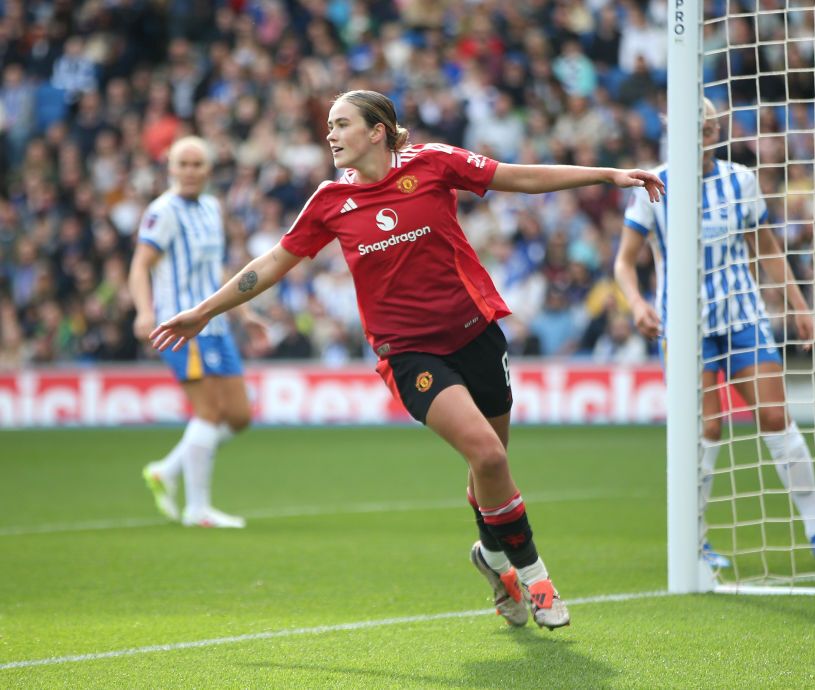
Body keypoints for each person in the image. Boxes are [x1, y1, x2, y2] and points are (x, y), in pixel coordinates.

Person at [150, 89, 665, 629]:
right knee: (488, 457)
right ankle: (534, 575)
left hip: (476, 333)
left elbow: (518, 177)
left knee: (490, 468)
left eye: (341, 123)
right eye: (328, 125)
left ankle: (491, 561)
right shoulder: (329, 202)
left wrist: (606, 175)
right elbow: (275, 261)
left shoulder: (434, 164)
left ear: (377, 131)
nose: (330, 134)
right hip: (409, 353)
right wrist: (205, 311)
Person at [614, 98, 815, 568]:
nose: (708, 129)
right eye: (699, 123)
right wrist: (636, 303)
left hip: (742, 314)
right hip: (683, 325)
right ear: (677, 130)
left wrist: (799, 304)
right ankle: (696, 540)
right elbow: (624, 261)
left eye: (713, 123)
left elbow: (767, 249)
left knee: (776, 418)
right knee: (707, 428)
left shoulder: (740, 179)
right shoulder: (653, 184)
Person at [129, 136, 263, 529]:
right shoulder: (162, 211)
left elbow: (216, 270)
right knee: (208, 412)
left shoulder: (210, 207)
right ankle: (197, 509)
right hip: (180, 326)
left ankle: (166, 470)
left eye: (197, 165)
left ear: (209, 170)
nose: (189, 171)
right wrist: (144, 311)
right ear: (169, 168)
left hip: (216, 323)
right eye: (182, 164)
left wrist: (245, 311)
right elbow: (140, 266)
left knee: (238, 416)